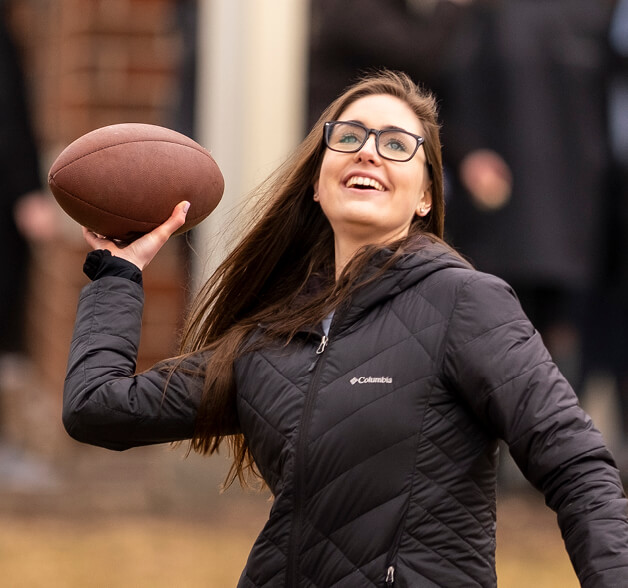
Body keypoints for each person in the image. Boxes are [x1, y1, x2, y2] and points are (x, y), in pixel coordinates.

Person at [62, 70, 628, 587]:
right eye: (350, 136)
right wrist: (119, 272)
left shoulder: (467, 303)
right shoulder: (269, 337)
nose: (369, 153)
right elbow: (98, 407)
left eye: (397, 144)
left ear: (427, 197)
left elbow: (576, 466)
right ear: (316, 181)